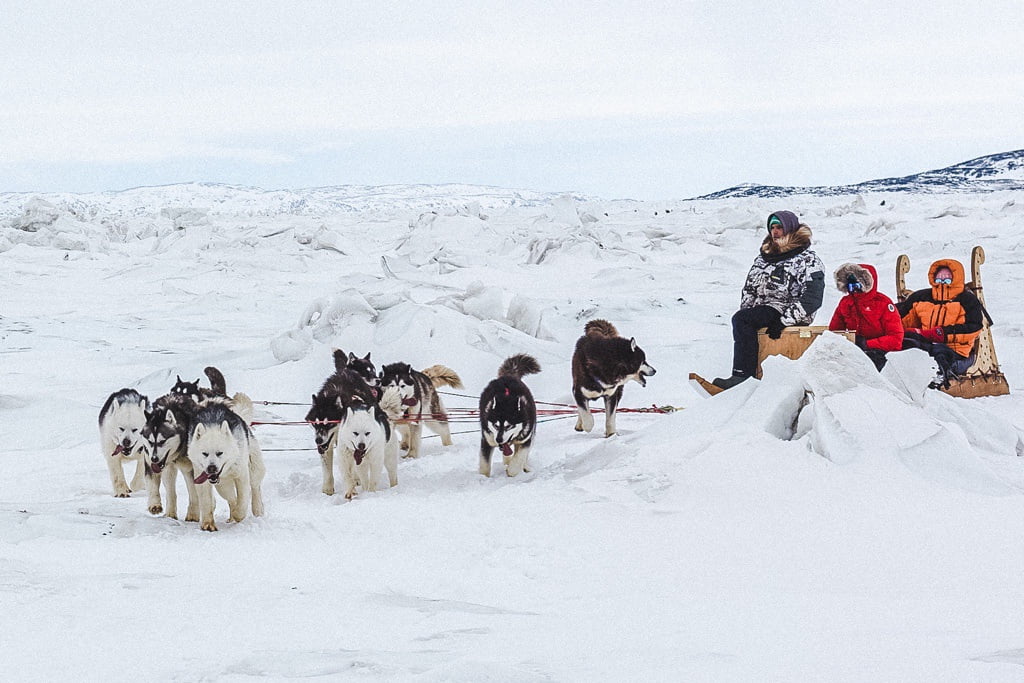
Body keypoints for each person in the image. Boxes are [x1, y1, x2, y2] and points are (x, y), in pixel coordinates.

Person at [713, 210, 825, 390]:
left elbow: (813, 297)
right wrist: (746, 310)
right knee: (742, 319)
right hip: (764, 309)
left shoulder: (807, 259)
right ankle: (750, 374)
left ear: (790, 228)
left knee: (742, 320)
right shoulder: (764, 257)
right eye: (772, 227)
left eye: (779, 227)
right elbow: (750, 287)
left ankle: (743, 376)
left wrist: (784, 321)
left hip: (786, 309)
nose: (775, 231)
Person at [896, 259, 983, 388]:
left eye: (947, 279)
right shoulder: (922, 297)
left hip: (956, 350)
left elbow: (974, 327)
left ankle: (939, 377)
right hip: (927, 342)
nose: (942, 282)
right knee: (909, 341)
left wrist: (942, 333)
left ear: (956, 279)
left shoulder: (967, 300)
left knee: (939, 351)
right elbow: (902, 317)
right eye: (939, 279)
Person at [828, 263, 904, 371]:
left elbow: (896, 339)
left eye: (857, 286)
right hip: (853, 350)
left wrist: (866, 344)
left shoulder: (883, 303)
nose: (854, 290)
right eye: (850, 286)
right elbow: (834, 331)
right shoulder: (845, 303)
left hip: (881, 353)